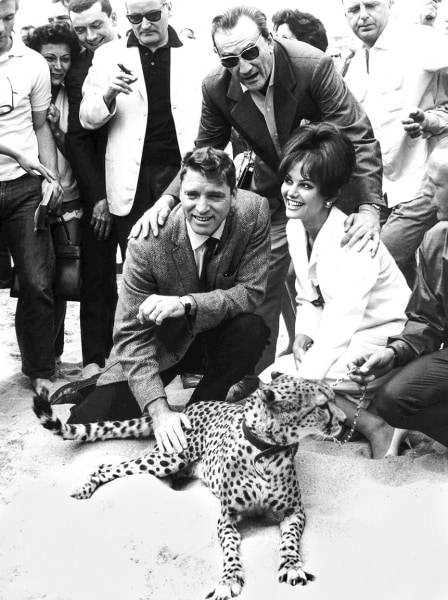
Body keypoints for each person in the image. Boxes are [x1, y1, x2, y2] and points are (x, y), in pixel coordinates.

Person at [132, 5, 385, 401]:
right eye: (231, 59)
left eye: (251, 52)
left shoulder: (312, 66)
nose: (244, 66)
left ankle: (352, 372)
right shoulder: (215, 86)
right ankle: (251, 374)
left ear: (270, 40)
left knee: (340, 283)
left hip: (331, 192)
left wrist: (370, 208)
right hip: (276, 193)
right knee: (265, 282)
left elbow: (358, 136)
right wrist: (166, 200)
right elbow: (205, 152)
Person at [55, 147, 271, 455]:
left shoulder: (255, 212)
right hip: (160, 344)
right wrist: (159, 410)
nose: (202, 208)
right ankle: (90, 387)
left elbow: (251, 293)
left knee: (253, 330)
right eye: (192, 195)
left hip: (214, 335)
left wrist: (187, 303)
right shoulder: (146, 242)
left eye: (215, 197)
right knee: (85, 422)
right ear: (179, 191)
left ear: (234, 194)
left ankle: (201, 413)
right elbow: (129, 335)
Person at [262, 123, 410, 458]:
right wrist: (302, 335)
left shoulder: (353, 242)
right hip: (342, 334)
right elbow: (308, 297)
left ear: (329, 195)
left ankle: (377, 427)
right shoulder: (296, 226)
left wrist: (304, 382)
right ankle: (349, 409)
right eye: (289, 181)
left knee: (296, 381)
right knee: (272, 378)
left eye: (306, 185)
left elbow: (341, 325)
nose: (291, 192)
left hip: (382, 335)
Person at [79, 0, 204, 255]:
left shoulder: (198, 54)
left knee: (188, 261)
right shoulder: (108, 55)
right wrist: (108, 95)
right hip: (130, 182)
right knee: (137, 264)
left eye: (153, 15)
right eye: (135, 18)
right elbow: (86, 118)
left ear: (169, 8)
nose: (144, 24)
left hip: (183, 171)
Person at [348, 139, 448, 450]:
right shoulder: (435, 241)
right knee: (393, 399)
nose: (426, 192)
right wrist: (392, 354)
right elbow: (427, 322)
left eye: (434, 184)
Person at [342, 0, 448, 287]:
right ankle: (413, 330)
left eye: (372, 5)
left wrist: (433, 121)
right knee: (399, 280)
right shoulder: (352, 67)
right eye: (353, 9)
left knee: (373, 267)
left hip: (422, 185)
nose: (363, 15)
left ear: (389, 4)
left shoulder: (418, 40)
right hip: (382, 192)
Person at [0, 0, 63, 395]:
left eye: (8, 18)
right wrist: (13, 151)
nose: (1, 27)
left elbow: (40, 127)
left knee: (39, 282)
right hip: (17, 163)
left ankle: (39, 369)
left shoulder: (33, 64)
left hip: (25, 187)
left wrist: (51, 178)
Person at [65, 0, 119, 379]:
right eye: (80, 30)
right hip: (97, 188)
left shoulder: (138, 53)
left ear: (113, 17)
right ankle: (94, 360)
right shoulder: (80, 68)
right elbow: (78, 142)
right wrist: (98, 196)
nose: (89, 37)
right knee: (97, 277)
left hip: (145, 183)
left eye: (96, 25)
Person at [28, 23, 82, 371]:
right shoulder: (28, 92)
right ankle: (44, 356)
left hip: (73, 199)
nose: (57, 66)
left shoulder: (73, 94)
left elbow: (82, 153)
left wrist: (61, 133)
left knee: (67, 278)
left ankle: (57, 353)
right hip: (35, 199)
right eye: (49, 58)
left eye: (64, 58)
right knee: (38, 282)